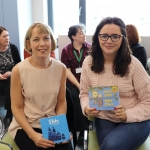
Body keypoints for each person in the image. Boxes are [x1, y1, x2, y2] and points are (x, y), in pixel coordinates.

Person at [79, 17, 150, 150]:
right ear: (98, 37)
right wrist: (87, 107)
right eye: (104, 36)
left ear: (123, 38)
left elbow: (148, 101)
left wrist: (127, 114)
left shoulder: (133, 64)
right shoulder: (88, 63)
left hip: (137, 120)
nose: (109, 41)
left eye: (115, 36)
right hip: (105, 117)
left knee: (110, 146)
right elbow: (84, 94)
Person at [8, 23, 72, 150]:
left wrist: (61, 128)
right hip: (26, 125)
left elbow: (61, 102)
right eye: (36, 39)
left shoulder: (60, 68)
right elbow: (17, 108)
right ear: (28, 44)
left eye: (46, 38)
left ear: (51, 41)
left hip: (52, 123)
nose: (42, 44)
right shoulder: (18, 70)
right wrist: (33, 136)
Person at [61, 24, 91, 147]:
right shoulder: (66, 50)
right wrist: (79, 85)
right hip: (73, 81)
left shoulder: (90, 48)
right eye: (80, 33)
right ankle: (82, 128)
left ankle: (87, 127)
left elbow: (94, 68)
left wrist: (86, 84)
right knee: (74, 94)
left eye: (84, 32)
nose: (84, 35)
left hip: (89, 80)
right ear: (73, 36)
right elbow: (67, 71)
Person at [0, 26, 21, 128]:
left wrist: (12, 73)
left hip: (12, 76)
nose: (7, 38)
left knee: (11, 82)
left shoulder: (13, 48)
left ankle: (9, 115)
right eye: (4, 36)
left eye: (8, 35)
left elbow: (19, 66)